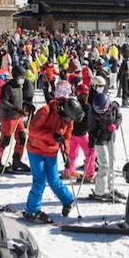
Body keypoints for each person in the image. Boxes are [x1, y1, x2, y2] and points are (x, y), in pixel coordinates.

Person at [21, 82, 80, 223]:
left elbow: (66, 137)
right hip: (36, 150)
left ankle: (68, 199)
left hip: (51, 152)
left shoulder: (69, 119)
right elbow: (33, 130)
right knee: (40, 180)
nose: (68, 121)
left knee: (54, 180)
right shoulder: (45, 111)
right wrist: (52, 136)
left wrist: (66, 152)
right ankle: (32, 210)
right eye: (67, 118)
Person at [0, 71, 34, 173]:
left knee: (22, 138)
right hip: (8, 118)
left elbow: (18, 100)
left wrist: (27, 104)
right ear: (15, 77)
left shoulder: (19, 87)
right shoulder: (8, 87)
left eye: (23, 77)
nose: (22, 79)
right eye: (20, 77)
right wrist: (16, 109)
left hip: (18, 117)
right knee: (5, 140)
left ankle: (16, 161)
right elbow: (3, 101)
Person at [86, 82, 124, 202]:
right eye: (99, 111)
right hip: (99, 140)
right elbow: (91, 130)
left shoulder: (114, 107)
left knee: (112, 163)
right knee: (104, 164)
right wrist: (91, 145)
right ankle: (100, 191)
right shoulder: (93, 113)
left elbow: (119, 118)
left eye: (103, 110)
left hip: (110, 137)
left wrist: (115, 125)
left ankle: (110, 187)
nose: (101, 113)